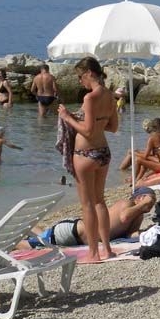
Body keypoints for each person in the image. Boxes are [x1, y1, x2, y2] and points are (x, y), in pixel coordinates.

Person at [57, 56, 119, 263]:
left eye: (79, 76)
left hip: (85, 154)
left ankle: (93, 253)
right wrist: (96, 120)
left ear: (89, 73)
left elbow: (88, 131)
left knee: (87, 205)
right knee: (100, 201)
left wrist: (68, 117)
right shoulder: (110, 96)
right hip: (103, 152)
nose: (79, 81)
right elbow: (113, 127)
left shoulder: (90, 98)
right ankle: (107, 249)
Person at [20, 187, 157, 249]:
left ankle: (29, 226)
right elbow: (124, 217)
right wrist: (144, 204)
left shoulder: (138, 214)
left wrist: (151, 233)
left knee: (44, 237)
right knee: (34, 244)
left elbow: (130, 234)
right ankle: (13, 241)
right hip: (73, 232)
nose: (150, 206)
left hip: (77, 235)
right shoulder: (126, 203)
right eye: (150, 201)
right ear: (139, 198)